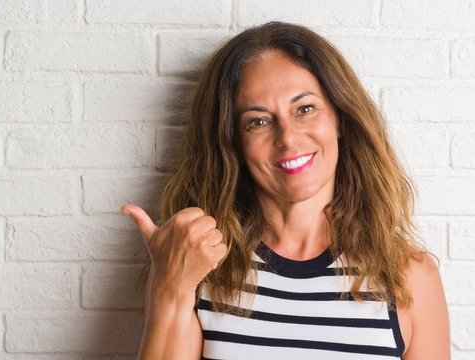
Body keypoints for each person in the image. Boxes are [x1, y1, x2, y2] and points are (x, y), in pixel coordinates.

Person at [121, 21, 450, 360]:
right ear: (233, 143)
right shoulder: (199, 265)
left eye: (304, 109)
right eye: (258, 121)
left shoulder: (410, 278)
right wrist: (168, 288)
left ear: (339, 118)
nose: (288, 138)